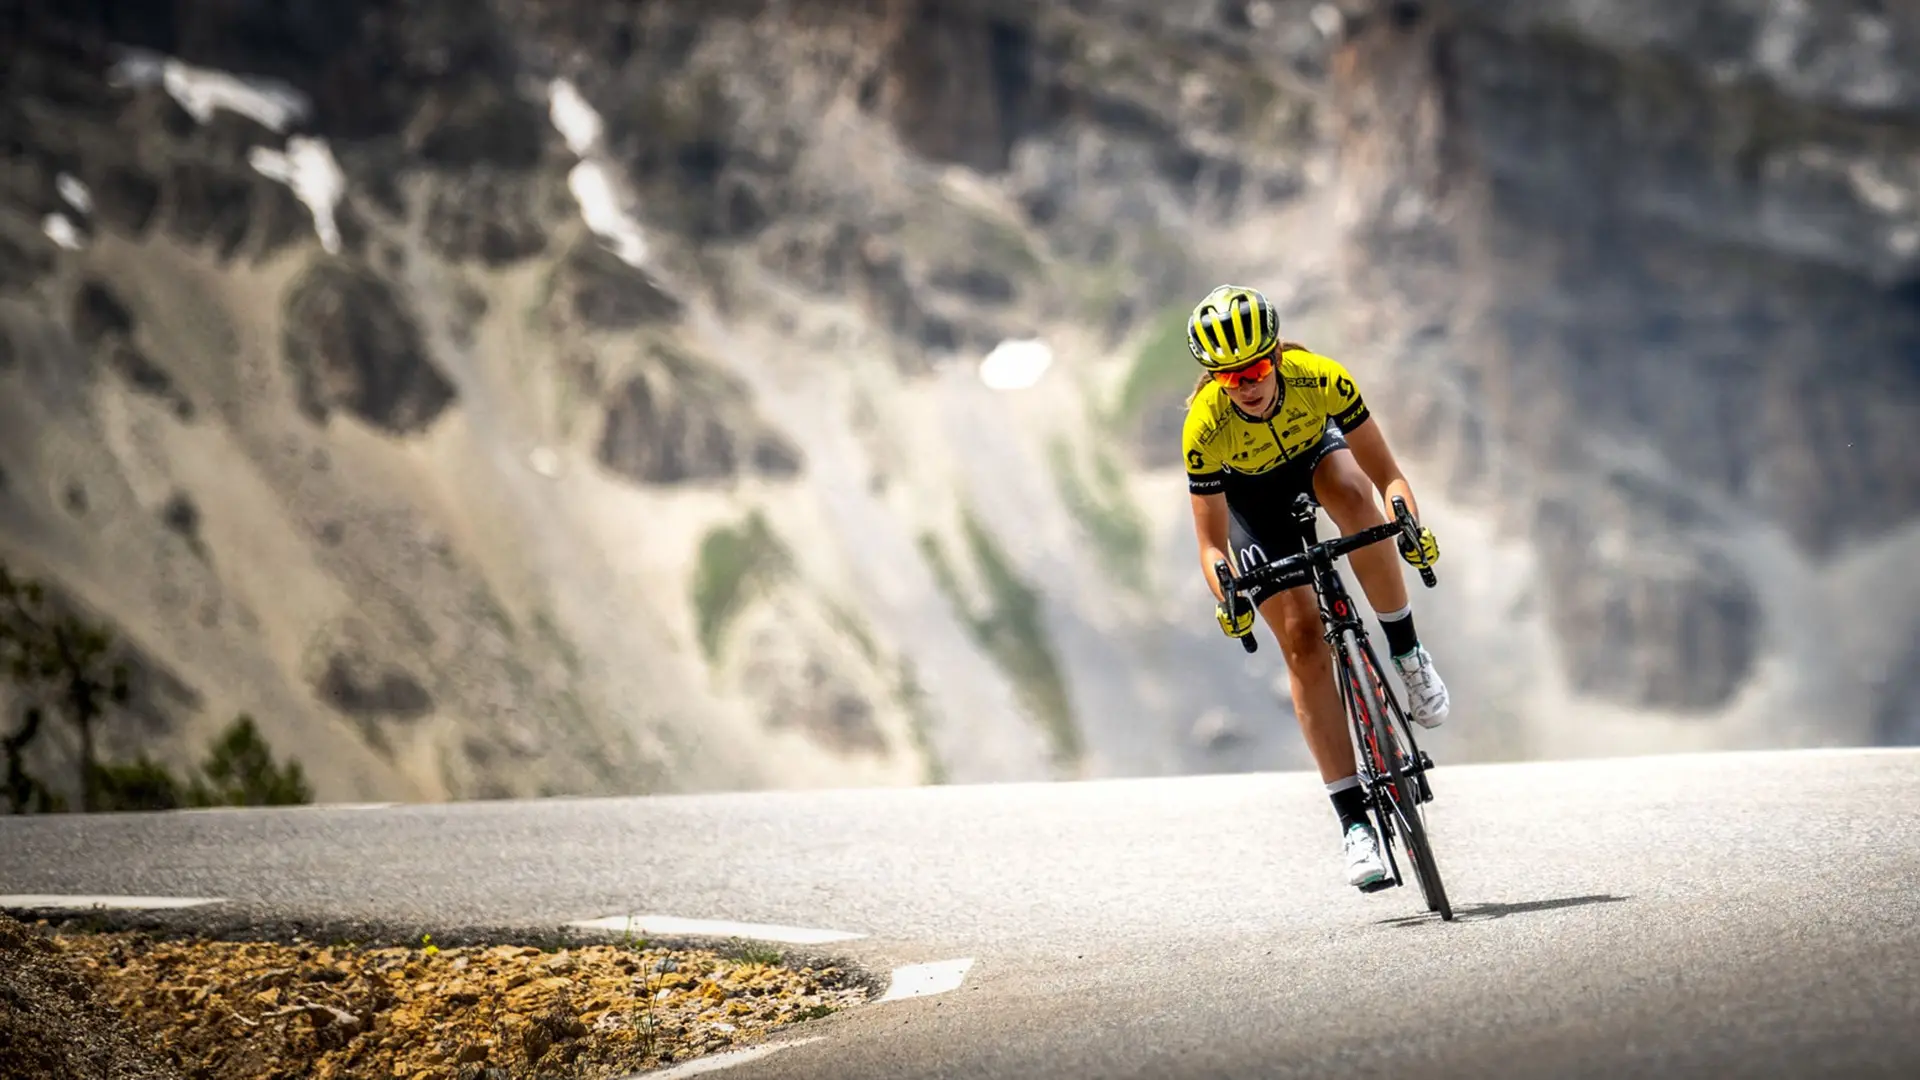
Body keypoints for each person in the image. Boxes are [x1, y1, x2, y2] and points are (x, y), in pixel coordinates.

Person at [1180, 283, 1450, 890]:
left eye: (1253, 368)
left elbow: (1389, 476)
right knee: (1302, 638)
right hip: (1253, 506)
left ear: (1274, 356)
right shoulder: (1204, 429)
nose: (1246, 384)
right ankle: (1354, 825)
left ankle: (1407, 656)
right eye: (1229, 378)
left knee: (1355, 495)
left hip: (1317, 462)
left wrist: (1407, 522)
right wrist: (1227, 593)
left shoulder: (1321, 378)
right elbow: (1212, 543)